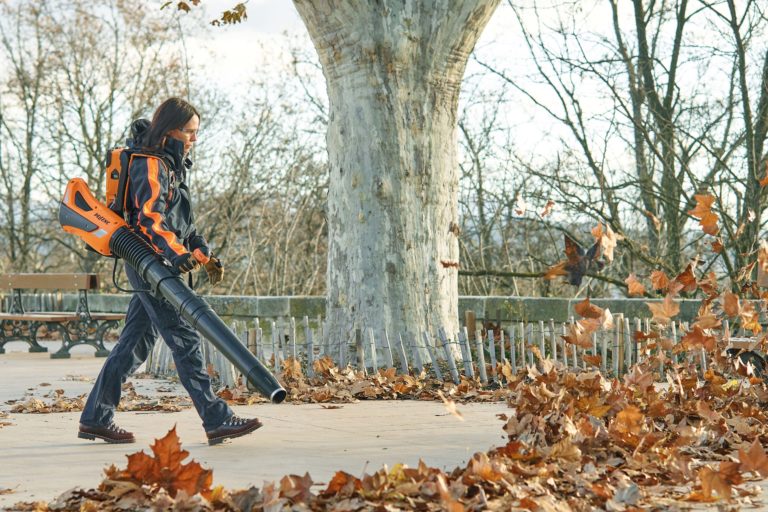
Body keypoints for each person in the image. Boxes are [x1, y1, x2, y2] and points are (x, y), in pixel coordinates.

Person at [78, 97, 262, 446]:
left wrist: (201, 252)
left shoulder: (172, 166)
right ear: (170, 131)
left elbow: (181, 225)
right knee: (184, 339)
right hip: (149, 263)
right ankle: (216, 419)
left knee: (135, 342)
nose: (194, 139)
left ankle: (95, 418)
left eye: (196, 133)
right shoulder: (149, 164)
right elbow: (149, 219)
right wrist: (177, 255)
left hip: (159, 260)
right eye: (190, 132)